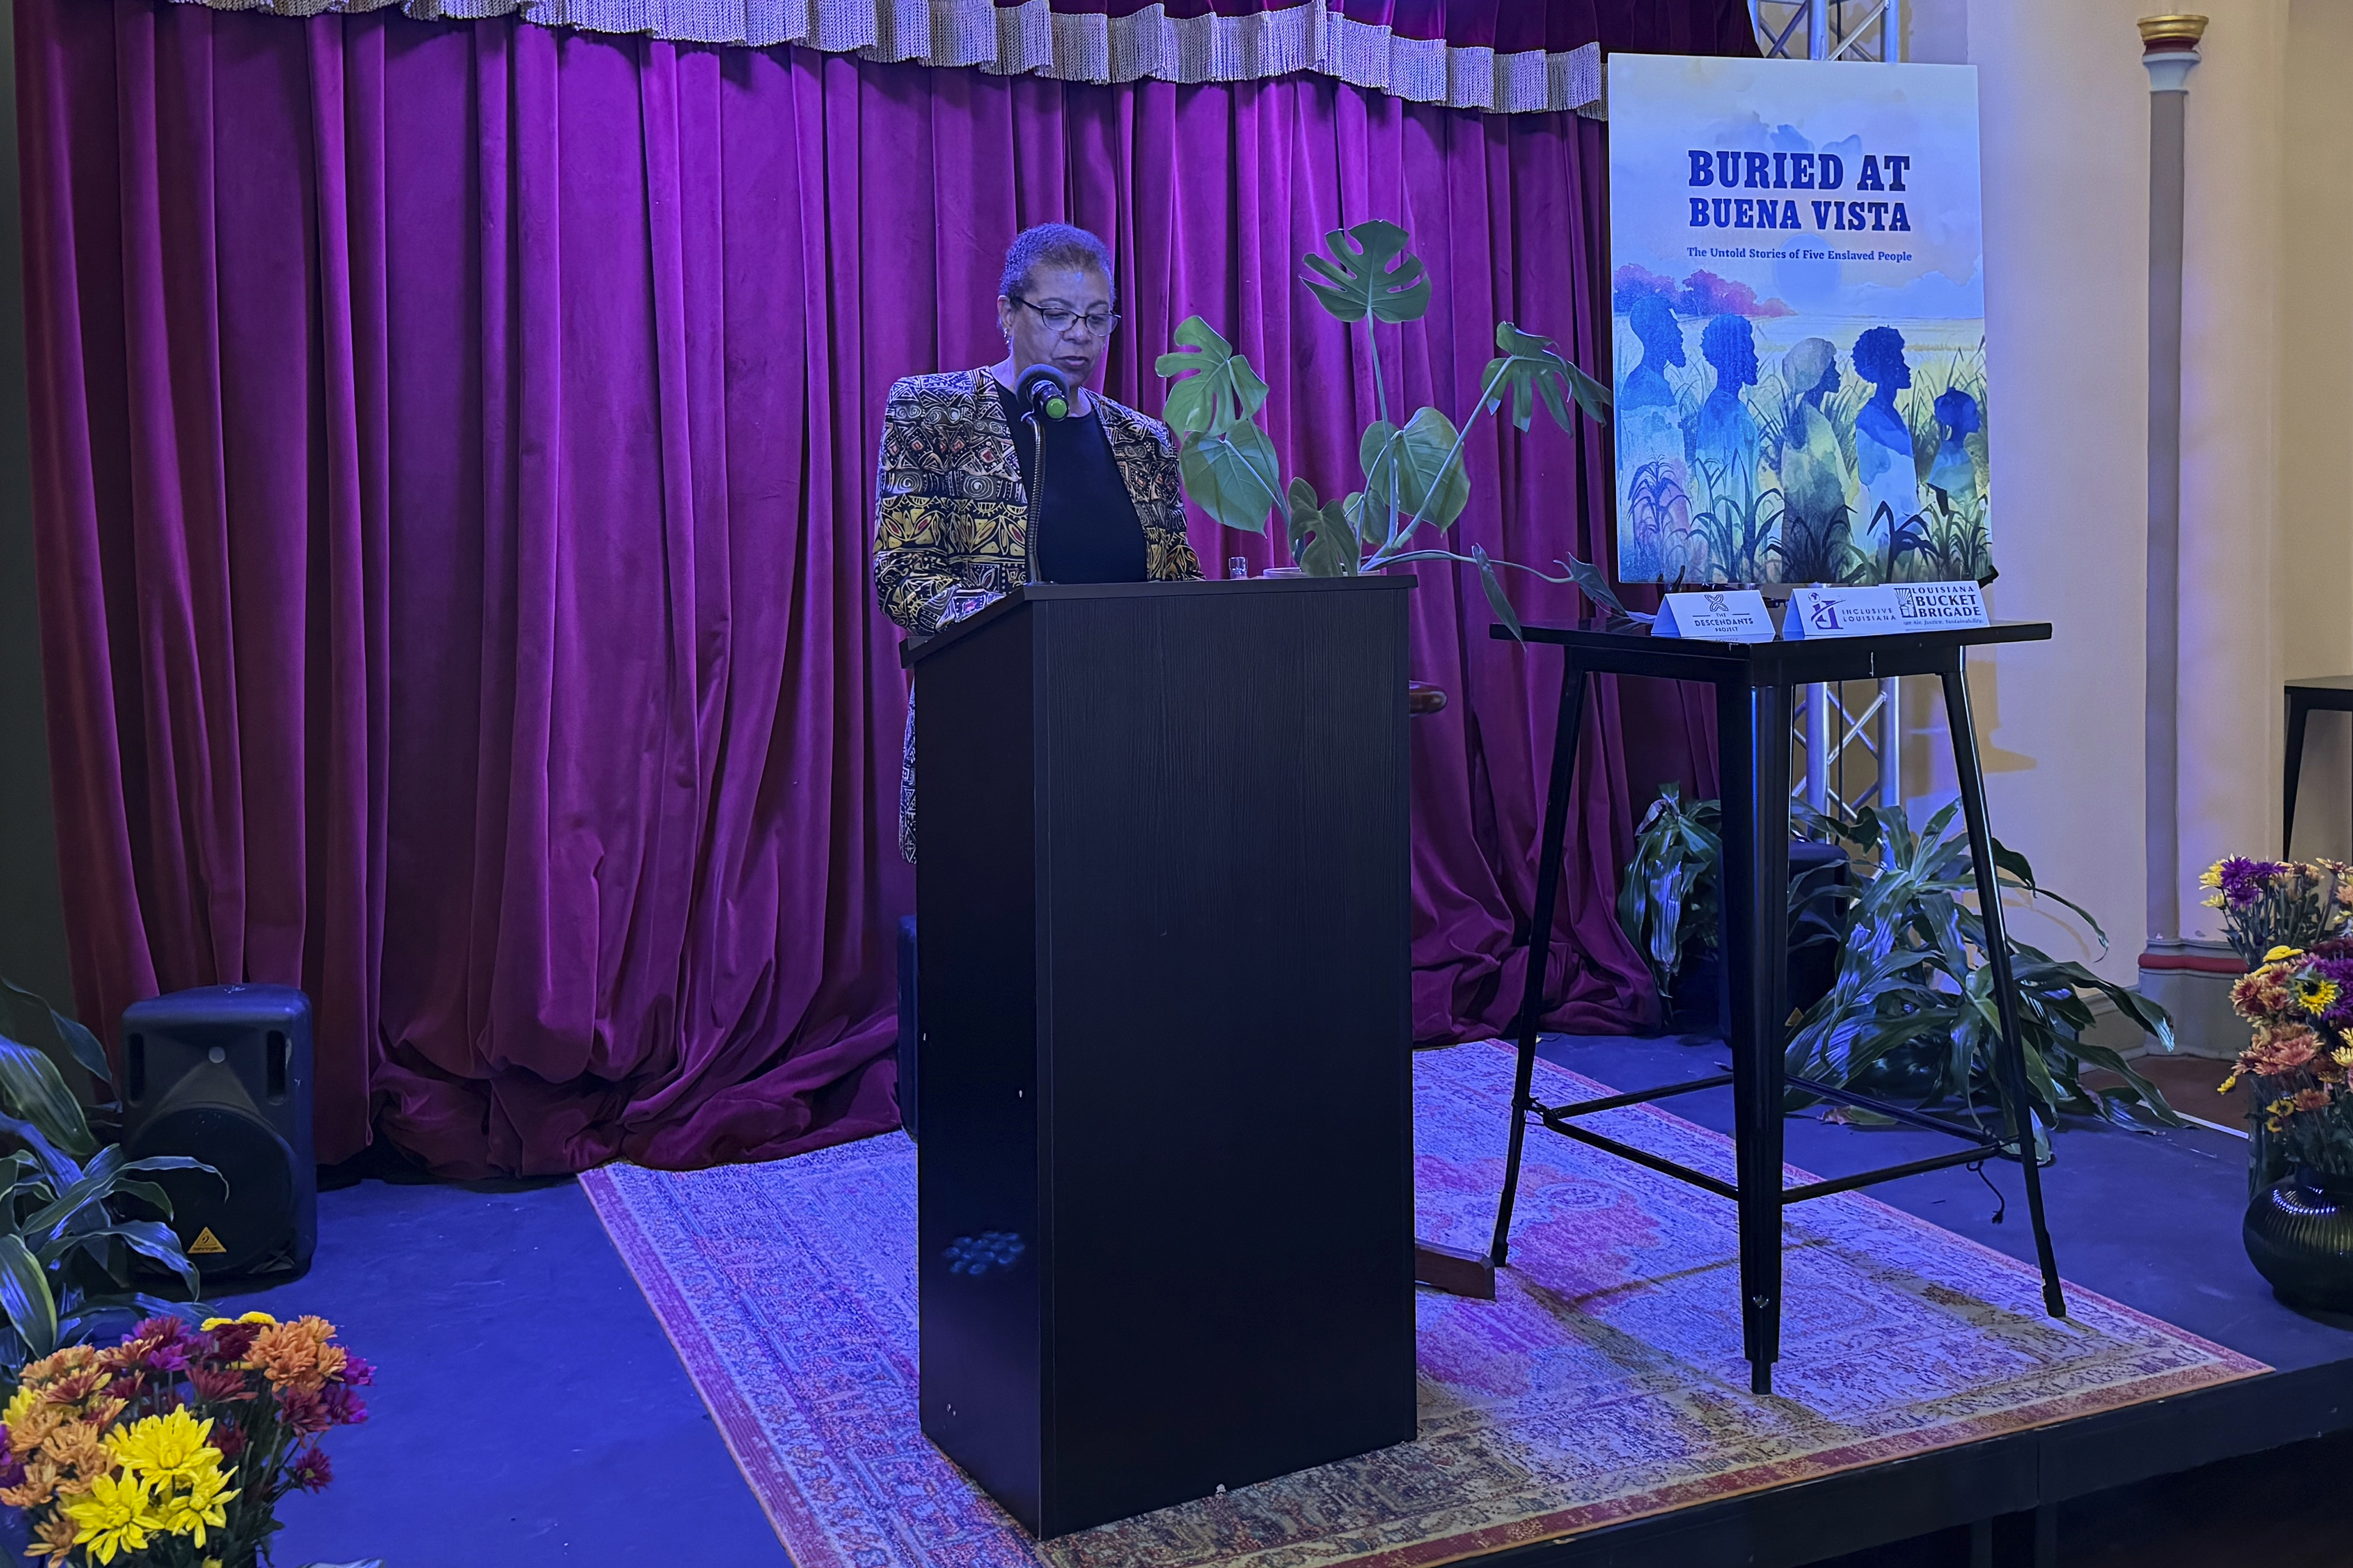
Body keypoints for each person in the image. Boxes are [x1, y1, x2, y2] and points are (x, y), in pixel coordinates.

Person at [872, 222, 1202, 862]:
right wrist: (1020, 634)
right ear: (1007, 311)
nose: (1079, 335)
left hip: (1125, 739)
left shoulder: (1145, 441)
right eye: (1057, 314)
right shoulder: (935, 411)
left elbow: (1176, 583)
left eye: (1098, 318)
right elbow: (901, 573)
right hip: (988, 734)